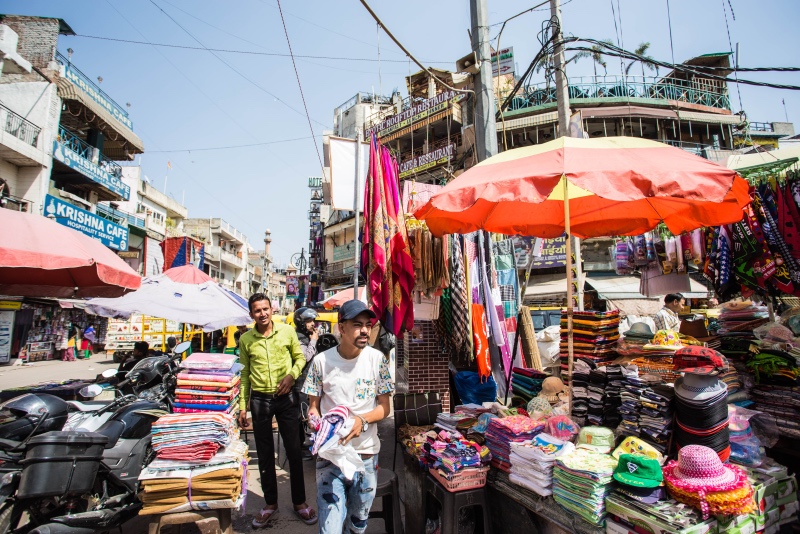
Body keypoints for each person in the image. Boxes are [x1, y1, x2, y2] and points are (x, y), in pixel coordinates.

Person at [303, 300, 394, 534]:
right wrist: (315, 422)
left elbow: (385, 407)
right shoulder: (321, 362)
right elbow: (313, 408)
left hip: (365, 456)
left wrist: (361, 420)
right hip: (330, 456)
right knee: (330, 528)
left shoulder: (377, 360)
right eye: (357, 325)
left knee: (357, 525)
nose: (364, 330)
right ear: (341, 328)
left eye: (367, 325)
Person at [238, 293, 317, 527]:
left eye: (265, 309)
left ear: (271, 309)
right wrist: (243, 407)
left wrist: (292, 376)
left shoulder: (287, 331)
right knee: (264, 454)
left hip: (286, 398)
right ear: (251, 314)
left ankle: (300, 503)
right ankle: (269, 504)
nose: (262, 314)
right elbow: (244, 376)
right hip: (260, 400)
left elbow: (300, 359)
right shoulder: (246, 340)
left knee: (294, 451)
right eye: (257, 310)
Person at [293, 307, 319, 459]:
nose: (312, 324)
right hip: (300, 383)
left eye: (313, 321)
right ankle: (299, 448)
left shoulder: (305, 336)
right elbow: (304, 358)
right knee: (301, 415)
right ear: (301, 323)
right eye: (309, 321)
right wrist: (314, 341)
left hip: (307, 382)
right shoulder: (299, 338)